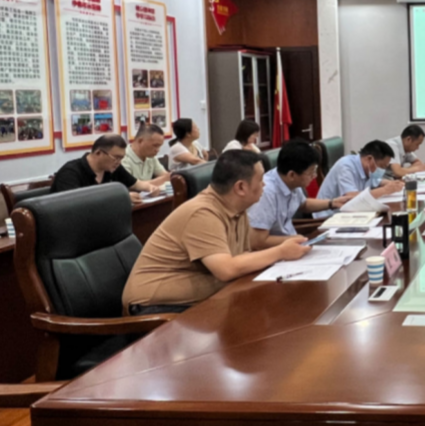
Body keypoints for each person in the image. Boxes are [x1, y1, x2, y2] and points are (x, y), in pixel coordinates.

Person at [122, 150, 310, 315]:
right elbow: (226, 269)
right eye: (260, 180)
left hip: (199, 298)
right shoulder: (202, 212)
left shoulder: (238, 208)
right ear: (240, 187)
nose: (264, 185)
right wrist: (280, 252)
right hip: (154, 306)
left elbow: (243, 256)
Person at [248, 140, 354, 246]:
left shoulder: (290, 181)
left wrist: (332, 203)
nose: (315, 176)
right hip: (277, 249)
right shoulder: (266, 193)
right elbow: (258, 241)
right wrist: (295, 239)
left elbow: (303, 204)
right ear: (292, 175)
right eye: (311, 172)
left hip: (293, 242)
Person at [51, 134, 162, 204]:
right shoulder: (70, 172)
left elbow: (136, 184)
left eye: (121, 158)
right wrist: (121, 197)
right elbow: (75, 204)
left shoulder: (113, 167)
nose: (119, 162)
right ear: (98, 153)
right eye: (116, 157)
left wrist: (150, 188)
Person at [314, 140, 404, 216]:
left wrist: (391, 184)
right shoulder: (346, 166)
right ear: (369, 159)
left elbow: (376, 181)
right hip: (328, 217)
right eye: (382, 166)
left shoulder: (367, 168)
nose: (382, 170)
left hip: (349, 214)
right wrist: (385, 190)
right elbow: (350, 198)